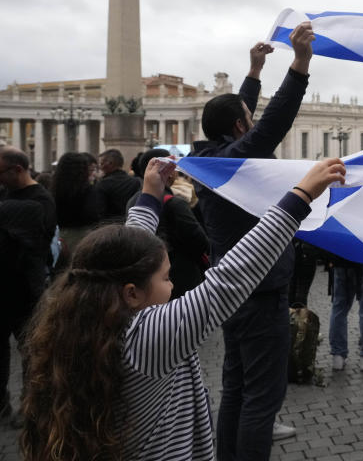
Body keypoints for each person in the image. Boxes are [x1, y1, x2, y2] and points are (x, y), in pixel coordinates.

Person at [19, 156, 345, 461]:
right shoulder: (145, 339)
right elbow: (231, 278)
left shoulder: (88, 317)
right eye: (165, 277)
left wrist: (150, 193)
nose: (172, 285)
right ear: (132, 293)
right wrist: (300, 197)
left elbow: (129, 248)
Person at [190, 27, 315, 456]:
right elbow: (270, 125)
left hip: (231, 289)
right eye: (247, 117)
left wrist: (255, 72)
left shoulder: (212, 162)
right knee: (262, 397)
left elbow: (241, 123)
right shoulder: (233, 162)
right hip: (260, 293)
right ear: (241, 125)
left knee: (237, 386)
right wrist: (299, 64)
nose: (252, 121)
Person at [0, 148, 56, 427]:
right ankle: (2, 406)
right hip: (6, 285)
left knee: (30, 353)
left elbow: (35, 243)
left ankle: (28, 406)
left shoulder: (41, 200)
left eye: (1, 173)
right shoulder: (7, 194)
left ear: (17, 169)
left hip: (27, 287)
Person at [124, 149, 210, 298]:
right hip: (181, 273)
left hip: (149, 274)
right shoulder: (175, 203)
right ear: (167, 171)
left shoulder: (133, 200)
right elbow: (199, 240)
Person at [51, 152, 100, 267]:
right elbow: (93, 215)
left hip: (59, 235)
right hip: (82, 236)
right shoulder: (88, 191)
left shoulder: (53, 189)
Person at [94, 148, 142, 223]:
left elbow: (99, 211)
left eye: (102, 163)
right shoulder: (136, 181)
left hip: (109, 226)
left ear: (110, 163)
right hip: (130, 224)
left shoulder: (103, 184)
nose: (100, 167)